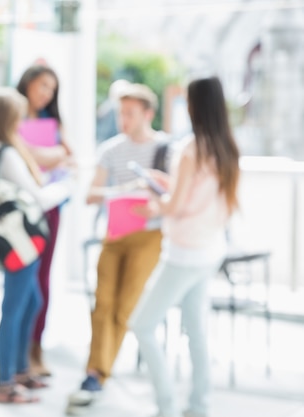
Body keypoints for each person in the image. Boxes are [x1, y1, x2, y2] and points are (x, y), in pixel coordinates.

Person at [130, 76, 240, 417]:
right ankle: (198, 407)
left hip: (184, 253)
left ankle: (166, 408)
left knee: (142, 325)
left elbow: (174, 207)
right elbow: (195, 197)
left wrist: (155, 203)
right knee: (196, 330)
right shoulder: (225, 148)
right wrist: (170, 187)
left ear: (194, 106)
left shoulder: (191, 149)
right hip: (209, 251)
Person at [67, 83, 169, 413]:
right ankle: (94, 374)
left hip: (149, 237)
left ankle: (99, 373)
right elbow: (91, 195)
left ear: (148, 114)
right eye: (121, 113)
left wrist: (151, 198)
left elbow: (173, 198)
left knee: (125, 308)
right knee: (103, 305)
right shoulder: (110, 150)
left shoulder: (167, 149)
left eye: (130, 113)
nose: (123, 119)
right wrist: (126, 189)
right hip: (113, 234)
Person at [0, 86, 74, 404]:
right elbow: (38, 198)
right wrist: (67, 186)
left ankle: (18, 371)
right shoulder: (8, 152)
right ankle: (6, 383)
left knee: (31, 300)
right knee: (17, 306)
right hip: (21, 238)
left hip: (6, 237)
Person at [16, 64, 75, 377]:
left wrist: (46, 154)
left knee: (43, 279)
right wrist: (52, 155)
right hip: (21, 209)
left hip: (51, 206)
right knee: (23, 281)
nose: (46, 93)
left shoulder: (54, 122)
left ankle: (36, 348)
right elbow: (26, 156)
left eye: (51, 89)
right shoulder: (12, 117)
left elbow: (70, 157)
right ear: (27, 84)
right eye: (42, 86)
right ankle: (20, 353)